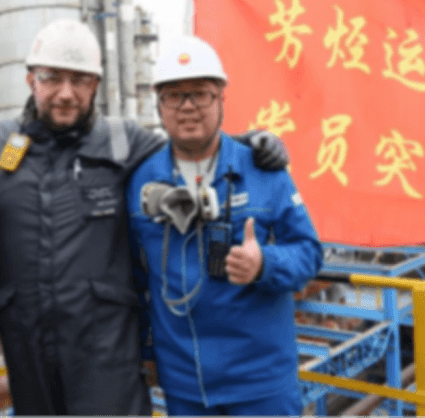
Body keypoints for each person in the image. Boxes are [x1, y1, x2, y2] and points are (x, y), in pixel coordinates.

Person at [0, 18, 289, 415]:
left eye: (80, 80)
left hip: (106, 354)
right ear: (30, 80)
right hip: (26, 349)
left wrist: (248, 144)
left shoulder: (123, 141)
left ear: (95, 85)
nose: (66, 92)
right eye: (52, 78)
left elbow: (191, 147)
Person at [126, 35, 323, 416]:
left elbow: (309, 253)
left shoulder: (263, 171)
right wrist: (147, 352)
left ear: (222, 100)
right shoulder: (141, 183)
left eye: (201, 94)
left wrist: (264, 264)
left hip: (260, 382)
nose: (187, 107)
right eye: (174, 96)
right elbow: (135, 280)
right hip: (185, 384)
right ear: (159, 105)